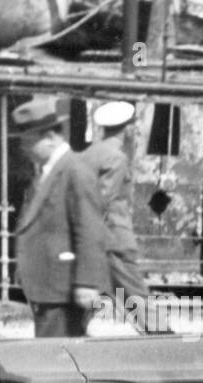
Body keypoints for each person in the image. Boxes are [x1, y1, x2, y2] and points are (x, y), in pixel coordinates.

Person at [11, 96, 108, 338]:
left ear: (50, 137)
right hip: (48, 286)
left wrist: (86, 282)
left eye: (27, 141)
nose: (23, 148)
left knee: (56, 353)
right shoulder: (48, 172)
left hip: (63, 289)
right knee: (55, 353)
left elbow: (90, 229)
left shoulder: (75, 170)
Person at [80, 101, 150, 331]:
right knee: (135, 293)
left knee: (90, 299)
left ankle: (65, 338)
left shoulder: (86, 154)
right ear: (127, 128)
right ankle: (163, 338)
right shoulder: (117, 158)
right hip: (114, 239)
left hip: (93, 239)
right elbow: (101, 201)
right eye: (133, 126)